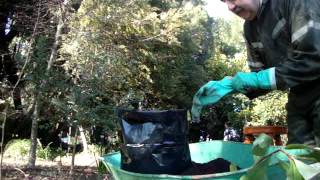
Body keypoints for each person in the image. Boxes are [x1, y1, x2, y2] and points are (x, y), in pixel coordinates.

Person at [192, 0, 320, 146]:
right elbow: (260, 77)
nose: (230, 7)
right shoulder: (249, 30)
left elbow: (314, 58)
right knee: (299, 161)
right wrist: (229, 85)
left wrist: (259, 79)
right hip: (299, 98)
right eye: (224, 1)